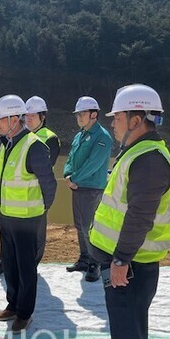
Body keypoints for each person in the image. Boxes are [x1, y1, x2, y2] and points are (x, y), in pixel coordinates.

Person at [89, 84, 170, 339]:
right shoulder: (137, 152)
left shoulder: (148, 159)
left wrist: (121, 260)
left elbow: (139, 217)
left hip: (131, 267)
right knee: (129, 335)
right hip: (127, 264)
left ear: (136, 120)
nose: (112, 123)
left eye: (118, 117)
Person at [0, 95, 57, 333]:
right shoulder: (6, 144)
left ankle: (25, 312)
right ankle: (12, 304)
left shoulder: (34, 146)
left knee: (26, 266)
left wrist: (40, 211)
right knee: (9, 263)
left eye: (0, 119)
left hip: (27, 219)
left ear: (12, 119)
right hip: (6, 216)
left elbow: (49, 185)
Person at [0, 95, 61, 274]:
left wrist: (43, 205)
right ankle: (4, 262)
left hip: (32, 201)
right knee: (7, 239)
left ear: (42, 117)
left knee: (34, 240)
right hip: (8, 203)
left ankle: (32, 264)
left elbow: (45, 175)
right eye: (26, 116)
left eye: (33, 116)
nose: (28, 119)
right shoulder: (10, 139)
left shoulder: (47, 139)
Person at [63, 96, 113, 282]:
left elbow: (94, 163)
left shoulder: (102, 137)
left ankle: (95, 263)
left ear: (94, 114)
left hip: (92, 188)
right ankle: (84, 259)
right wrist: (67, 174)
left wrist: (75, 178)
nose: (79, 117)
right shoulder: (80, 135)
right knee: (80, 225)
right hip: (77, 186)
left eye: (83, 114)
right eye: (78, 114)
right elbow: (70, 158)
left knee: (89, 227)